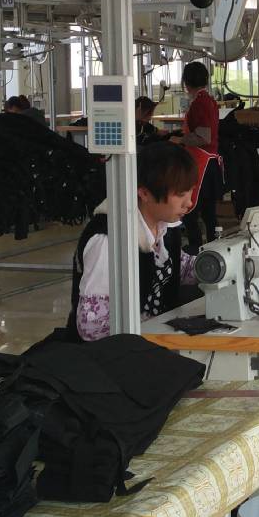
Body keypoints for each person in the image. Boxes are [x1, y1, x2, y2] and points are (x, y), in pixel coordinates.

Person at [66, 140, 199, 342]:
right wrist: (155, 327)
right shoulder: (108, 241)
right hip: (110, 352)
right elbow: (92, 327)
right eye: (180, 195)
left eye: (190, 192)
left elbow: (183, 269)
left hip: (151, 341)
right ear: (144, 193)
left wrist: (218, 266)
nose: (189, 203)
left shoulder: (163, 227)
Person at [172, 62, 223, 243]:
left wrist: (180, 140)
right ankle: (212, 248)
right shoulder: (208, 100)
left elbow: (203, 137)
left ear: (186, 82)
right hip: (210, 163)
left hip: (201, 164)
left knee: (190, 211)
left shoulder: (200, 104)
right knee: (209, 214)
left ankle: (195, 248)